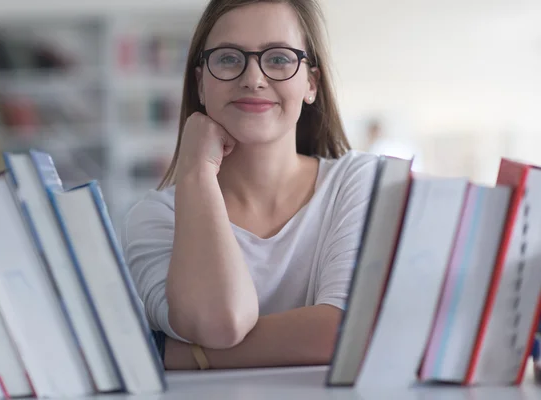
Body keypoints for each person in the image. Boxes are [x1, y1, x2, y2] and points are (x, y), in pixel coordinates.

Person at [122, 0, 378, 370]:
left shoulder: (358, 182)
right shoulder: (154, 217)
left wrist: (175, 354)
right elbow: (219, 322)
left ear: (311, 83)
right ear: (201, 83)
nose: (253, 78)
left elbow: (345, 331)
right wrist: (197, 173)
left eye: (278, 58)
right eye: (228, 58)